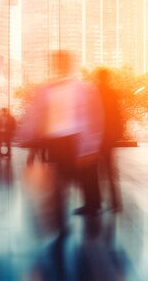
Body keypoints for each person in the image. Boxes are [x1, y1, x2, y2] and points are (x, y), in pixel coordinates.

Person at [16, 50, 104, 223]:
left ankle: (77, 207)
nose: (60, 65)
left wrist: (92, 146)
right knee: (57, 179)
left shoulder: (83, 89)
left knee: (72, 177)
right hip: (53, 141)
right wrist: (25, 135)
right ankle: (59, 212)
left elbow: (95, 118)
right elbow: (34, 114)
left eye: (63, 61)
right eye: (57, 62)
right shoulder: (45, 90)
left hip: (74, 140)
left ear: (69, 64)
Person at [95, 68, 123, 212]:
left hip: (97, 135)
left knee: (96, 170)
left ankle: (97, 202)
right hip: (108, 136)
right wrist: (118, 133)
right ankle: (115, 202)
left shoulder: (95, 92)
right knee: (110, 169)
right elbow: (117, 114)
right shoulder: (112, 93)